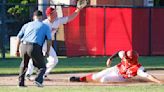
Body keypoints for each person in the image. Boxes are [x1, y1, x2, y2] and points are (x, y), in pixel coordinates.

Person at [25, 1, 87, 80]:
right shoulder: (44, 24)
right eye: (54, 13)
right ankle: (28, 74)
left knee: (54, 60)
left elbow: (70, 18)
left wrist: (77, 10)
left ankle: (42, 74)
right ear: (49, 15)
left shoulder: (57, 21)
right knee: (35, 57)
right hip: (39, 42)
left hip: (47, 43)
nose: (56, 14)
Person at [70, 50, 162, 84]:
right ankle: (80, 79)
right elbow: (119, 53)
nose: (124, 57)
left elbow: (148, 76)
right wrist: (110, 59)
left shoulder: (138, 68)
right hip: (116, 68)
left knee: (103, 79)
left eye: (126, 57)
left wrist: (159, 82)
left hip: (121, 77)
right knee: (97, 76)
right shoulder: (124, 55)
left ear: (131, 60)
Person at [15, 10, 52, 87]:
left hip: (23, 45)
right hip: (34, 46)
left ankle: (21, 83)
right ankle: (38, 81)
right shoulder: (45, 26)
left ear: (33, 17)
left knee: (24, 64)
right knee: (42, 67)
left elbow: (18, 37)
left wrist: (17, 49)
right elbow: (49, 40)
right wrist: (48, 51)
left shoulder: (27, 25)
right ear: (42, 17)